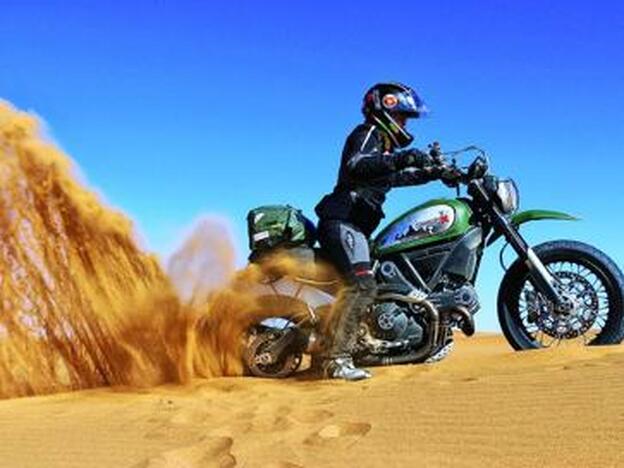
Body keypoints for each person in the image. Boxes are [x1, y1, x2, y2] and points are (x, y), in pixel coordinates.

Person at [315, 82, 451, 381]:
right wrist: (406, 157)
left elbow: (398, 177)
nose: (404, 123)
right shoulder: (367, 134)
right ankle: (335, 360)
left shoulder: (384, 147)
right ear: (386, 109)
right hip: (343, 221)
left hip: (357, 227)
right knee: (362, 287)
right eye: (402, 116)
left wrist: (435, 173)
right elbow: (357, 165)